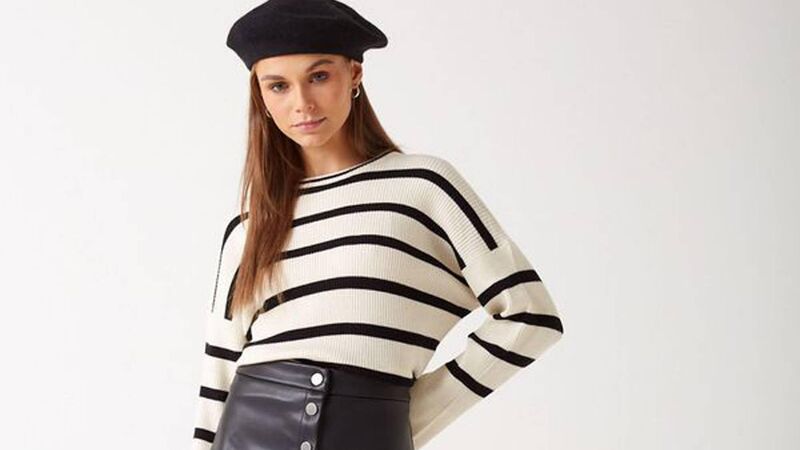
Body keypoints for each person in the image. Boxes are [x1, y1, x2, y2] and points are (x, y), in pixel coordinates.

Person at [191, 1, 565, 449]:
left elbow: (530, 316)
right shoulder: (251, 227)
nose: (302, 103)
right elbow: (218, 374)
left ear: (354, 75)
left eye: (319, 76)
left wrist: (397, 421)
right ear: (261, 96)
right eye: (278, 86)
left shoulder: (422, 187)